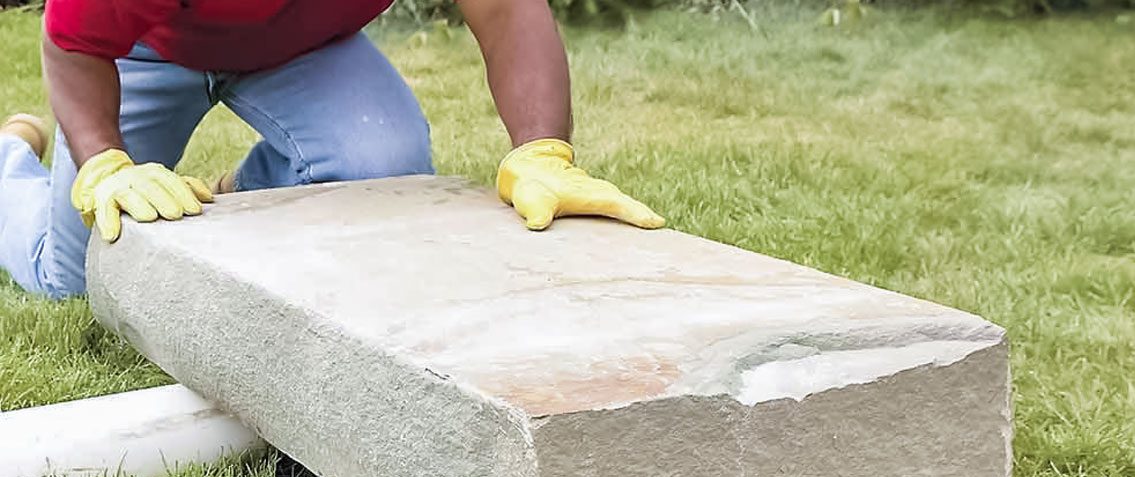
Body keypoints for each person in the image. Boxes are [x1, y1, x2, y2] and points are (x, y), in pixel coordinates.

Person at [0, 0, 664, 300]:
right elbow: (72, 43)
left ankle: (243, 192)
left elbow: (507, 9)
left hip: (303, 50)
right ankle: (7, 159)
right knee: (77, 275)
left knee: (382, 173)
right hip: (147, 51)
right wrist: (103, 163)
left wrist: (542, 150)